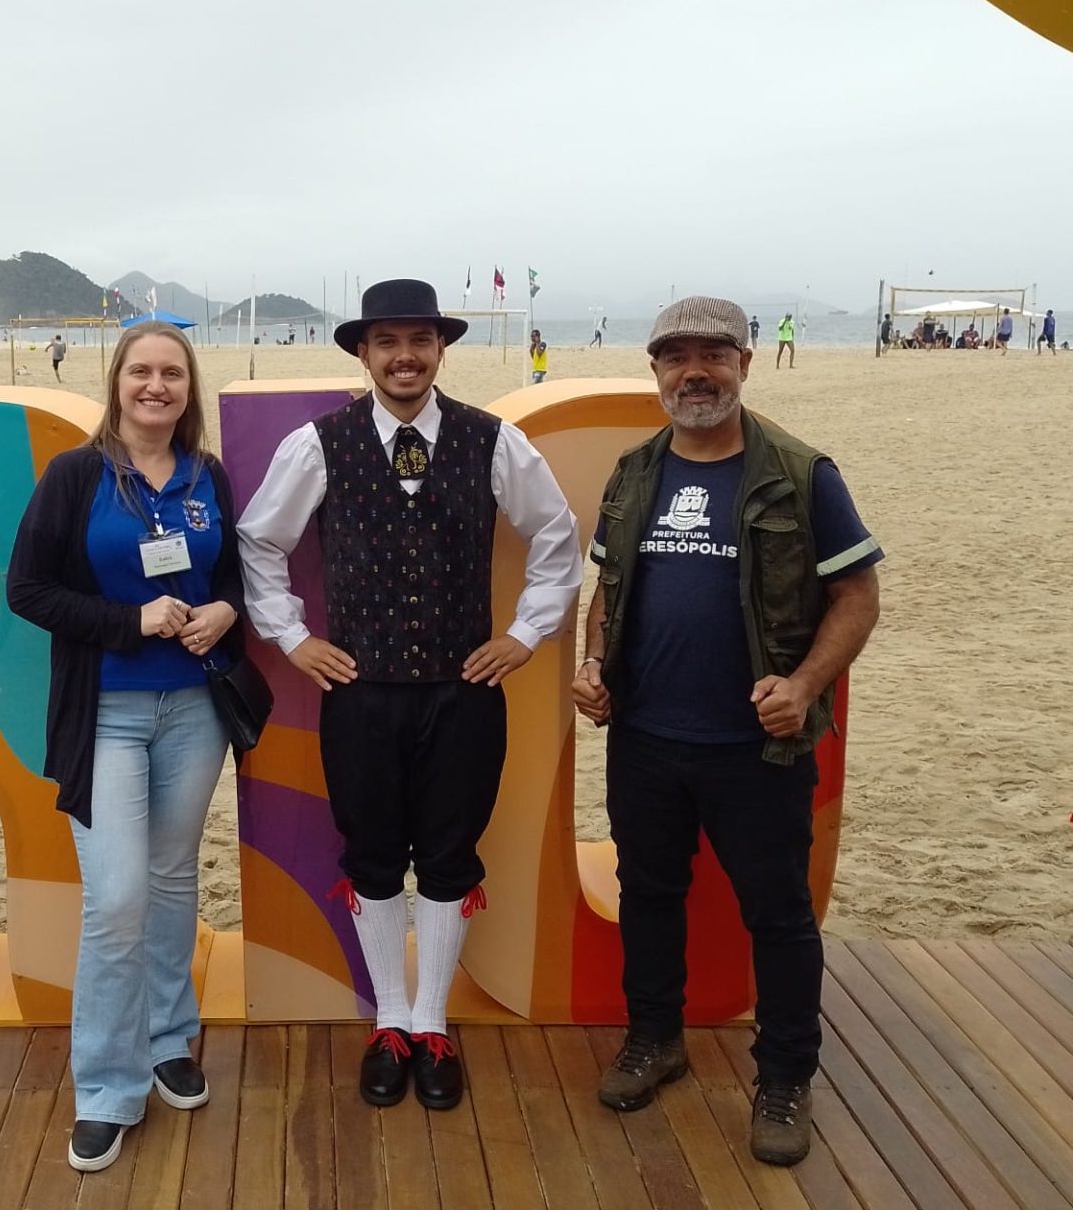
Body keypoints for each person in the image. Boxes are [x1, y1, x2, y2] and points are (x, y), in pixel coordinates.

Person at [239, 278, 581, 1113]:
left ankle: (432, 1021)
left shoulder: (492, 441)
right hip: (361, 695)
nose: (405, 356)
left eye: (420, 340)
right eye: (387, 341)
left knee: (451, 852)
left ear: (440, 350)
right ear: (364, 352)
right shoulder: (319, 445)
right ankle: (390, 1018)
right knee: (373, 852)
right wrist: (294, 637)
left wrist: (525, 633)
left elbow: (557, 534)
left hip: (464, 693)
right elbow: (259, 541)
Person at [572, 296, 882, 1167]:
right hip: (645, 738)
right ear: (656, 370)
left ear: (746, 363)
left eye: (713, 354)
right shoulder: (635, 471)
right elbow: (608, 591)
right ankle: (654, 1038)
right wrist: (594, 665)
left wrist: (805, 684)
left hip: (759, 747)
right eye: (676, 356)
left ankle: (784, 1077)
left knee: (778, 912)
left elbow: (857, 595)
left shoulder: (801, 472)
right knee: (648, 892)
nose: (695, 372)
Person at [6, 321, 245, 1174]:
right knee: (115, 899)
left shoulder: (207, 475)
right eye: (141, 370)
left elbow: (230, 572)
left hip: (194, 710)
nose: (156, 385)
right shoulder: (76, 475)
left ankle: (168, 1036)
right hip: (104, 713)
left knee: (173, 878)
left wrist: (225, 609)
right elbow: (27, 589)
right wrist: (126, 620)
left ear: (188, 387)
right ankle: (108, 1085)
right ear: (116, 382)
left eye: (172, 372)